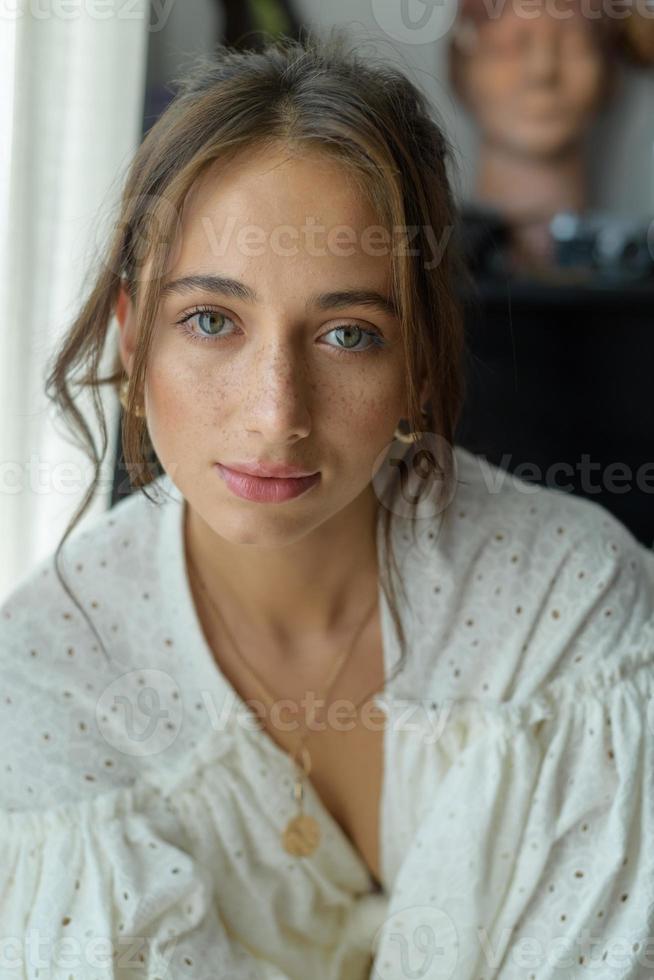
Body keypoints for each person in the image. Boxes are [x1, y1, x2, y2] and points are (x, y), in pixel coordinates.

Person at [1, 28, 653, 980]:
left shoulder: (571, 613)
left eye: (348, 333)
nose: (277, 415)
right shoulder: (41, 697)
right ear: (133, 345)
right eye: (212, 321)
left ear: (421, 364)